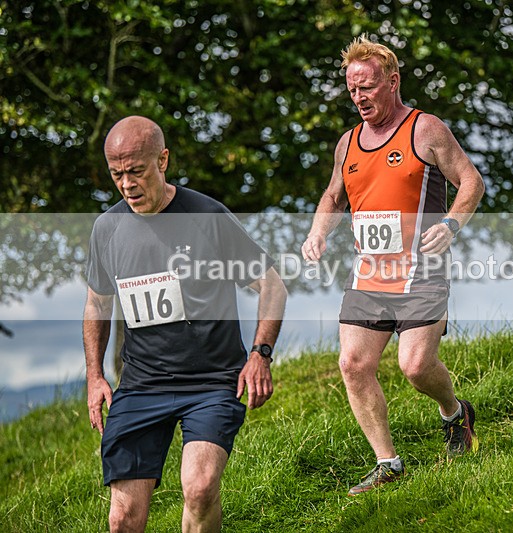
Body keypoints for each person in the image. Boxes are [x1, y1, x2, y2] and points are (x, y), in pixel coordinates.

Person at [83, 115, 287, 532]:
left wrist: (260, 355)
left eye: (137, 171)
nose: (127, 184)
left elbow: (272, 286)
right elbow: (96, 304)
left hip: (213, 381)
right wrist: (94, 375)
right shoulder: (107, 228)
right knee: (123, 517)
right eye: (117, 175)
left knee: (199, 487)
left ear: (163, 160)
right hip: (142, 385)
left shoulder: (207, 216)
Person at [301, 35, 485, 495]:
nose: (360, 98)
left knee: (416, 366)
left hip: (422, 270)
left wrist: (452, 224)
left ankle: (455, 414)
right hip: (370, 273)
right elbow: (332, 195)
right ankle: (388, 463)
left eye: (368, 87)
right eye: (352, 90)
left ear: (393, 81)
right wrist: (319, 231)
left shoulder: (425, 130)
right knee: (353, 363)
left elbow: (471, 181)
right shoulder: (348, 143)